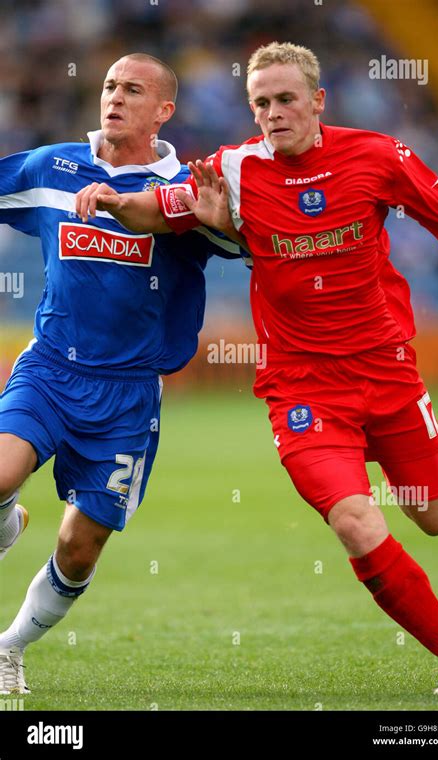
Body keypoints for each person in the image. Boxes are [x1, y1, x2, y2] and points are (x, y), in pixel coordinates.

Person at [77, 42, 438, 697]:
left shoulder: (379, 156)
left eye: (286, 99)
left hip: (389, 376)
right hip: (303, 391)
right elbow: (160, 205)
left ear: (318, 101)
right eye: (260, 103)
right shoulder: (232, 171)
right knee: (355, 521)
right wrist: (118, 204)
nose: (273, 113)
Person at [0, 53, 242, 695]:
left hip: (130, 392)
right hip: (50, 366)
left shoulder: (187, 187)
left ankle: (10, 646)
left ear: (164, 110)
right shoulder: (51, 166)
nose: (115, 97)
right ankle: (6, 522)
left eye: (133, 89)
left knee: (81, 548)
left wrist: (225, 225)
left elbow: (247, 244)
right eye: (110, 85)